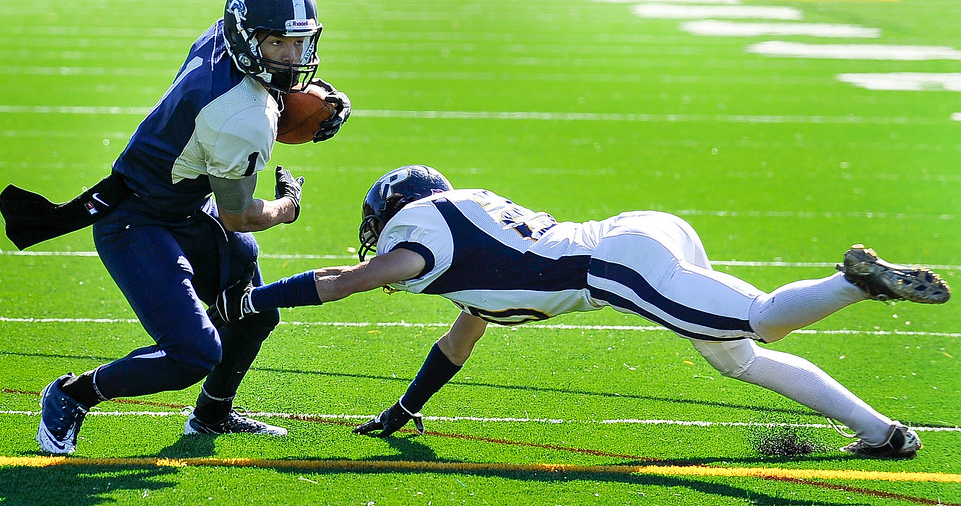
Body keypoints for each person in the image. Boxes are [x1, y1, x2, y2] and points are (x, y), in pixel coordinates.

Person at [210, 165, 951, 459]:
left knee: (757, 321)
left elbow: (349, 280)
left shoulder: (422, 234)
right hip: (639, 233)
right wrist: (404, 409)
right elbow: (461, 336)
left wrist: (254, 298)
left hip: (614, 264)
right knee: (739, 356)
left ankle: (859, 284)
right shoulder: (468, 244)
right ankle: (880, 433)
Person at [28, 0, 351, 455]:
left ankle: (212, 416)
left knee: (254, 313)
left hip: (180, 202)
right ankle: (72, 394)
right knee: (193, 352)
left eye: (299, 44)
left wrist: (299, 94)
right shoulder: (242, 115)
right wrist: (288, 206)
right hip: (138, 221)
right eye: (279, 44)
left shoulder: (223, 37)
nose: (292, 58)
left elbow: (251, 80)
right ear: (248, 35)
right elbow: (238, 215)